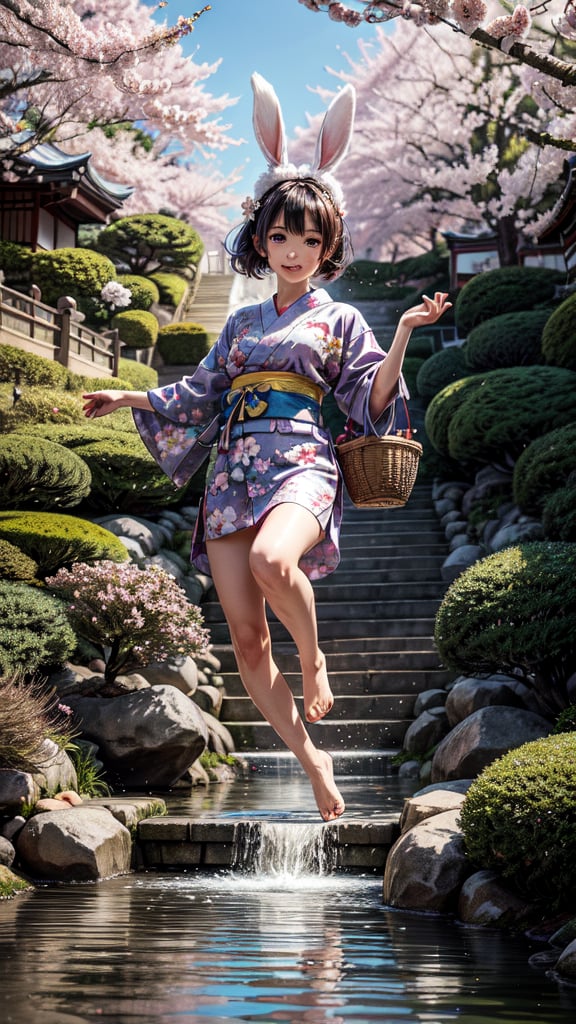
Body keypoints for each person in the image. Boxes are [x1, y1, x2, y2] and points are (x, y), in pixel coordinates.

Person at [83, 73, 451, 822]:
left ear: (330, 245)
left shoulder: (342, 318)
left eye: (311, 240)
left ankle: (314, 657)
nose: (294, 250)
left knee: (271, 562)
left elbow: (370, 401)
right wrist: (129, 396)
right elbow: (200, 395)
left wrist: (405, 333)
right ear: (260, 238)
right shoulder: (241, 325)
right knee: (247, 644)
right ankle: (311, 759)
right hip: (232, 474)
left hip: (302, 465)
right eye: (281, 236)